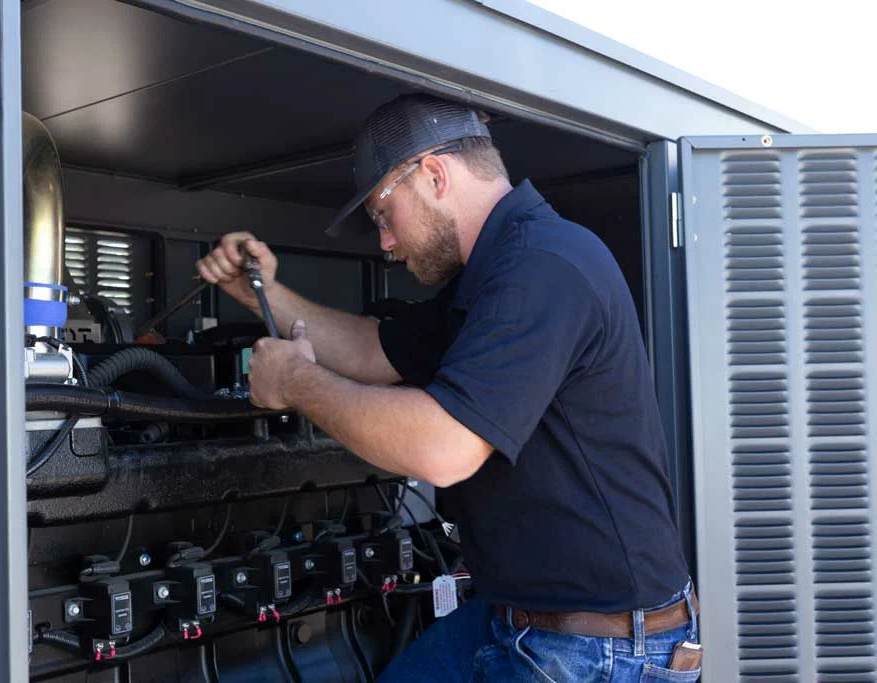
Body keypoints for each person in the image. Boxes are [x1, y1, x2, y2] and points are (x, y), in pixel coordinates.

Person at [195, 93, 701, 682]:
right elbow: (371, 350)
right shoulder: (490, 276)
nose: (384, 241)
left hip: (602, 651)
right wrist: (261, 294)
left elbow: (445, 449)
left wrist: (296, 383)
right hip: (517, 619)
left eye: (384, 214)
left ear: (433, 174)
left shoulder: (545, 264)